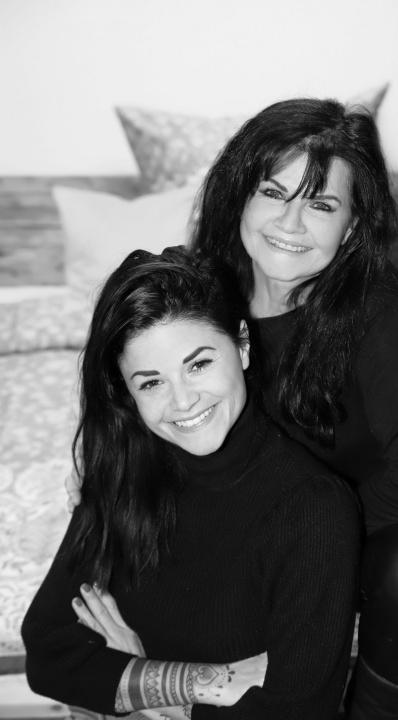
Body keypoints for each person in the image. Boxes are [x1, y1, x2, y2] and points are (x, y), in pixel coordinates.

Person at [66, 98, 398, 719]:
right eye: (273, 193)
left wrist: (321, 554)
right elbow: (144, 416)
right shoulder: (202, 293)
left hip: (347, 528)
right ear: (240, 198)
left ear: (351, 225)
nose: (291, 223)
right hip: (235, 513)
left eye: (321, 204)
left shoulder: (371, 306)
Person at [22, 247, 361, 720]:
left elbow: (295, 712)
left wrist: (138, 685)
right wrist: (203, 684)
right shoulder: (123, 470)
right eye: (151, 383)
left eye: (198, 364)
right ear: (128, 392)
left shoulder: (313, 510)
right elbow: (47, 654)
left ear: (242, 345)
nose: (183, 402)